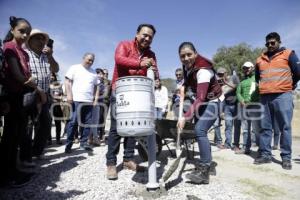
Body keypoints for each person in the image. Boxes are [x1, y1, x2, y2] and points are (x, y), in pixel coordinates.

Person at [106, 23, 159, 180]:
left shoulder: (151, 54)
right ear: (136, 34)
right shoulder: (124, 45)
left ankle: (128, 159)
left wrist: (157, 79)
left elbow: (155, 69)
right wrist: (139, 63)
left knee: (133, 127)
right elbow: (119, 59)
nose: (147, 38)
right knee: (116, 128)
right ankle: (110, 163)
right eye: (144, 34)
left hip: (139, 93)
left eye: (150, 37)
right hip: (121, 91)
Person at [0, 16, 44, 187]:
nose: (25, 35)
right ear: (12, 30)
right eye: (21, 31)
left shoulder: (23, 52)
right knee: (10, 136)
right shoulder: (9, 47)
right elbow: (19, 76)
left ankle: (13, 170)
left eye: (28, 32)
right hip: (11, 95)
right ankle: (6, 174)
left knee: (17, 135)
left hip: (21, 96)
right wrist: (34, 83)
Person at [177, 42, 222, 184]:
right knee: (199, 132)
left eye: (189, 54)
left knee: (200, 130)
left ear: (196, 54)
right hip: (203, 103)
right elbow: (188, 78)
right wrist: (183, 86)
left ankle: (204, 172)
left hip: (213, 102)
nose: (186, 58)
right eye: (182, 56)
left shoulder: (203, 70)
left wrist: (185, 116)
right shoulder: (188, 67)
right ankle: (209, 164)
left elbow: (201, 97)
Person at [254, 32, 300, 170]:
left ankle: (286, 157)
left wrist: (291, 85)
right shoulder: (259, 60)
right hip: (265, 97)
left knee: (285, 127)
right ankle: (266, 155)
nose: (270, 45)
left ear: (279, 42)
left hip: (283, 96)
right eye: (267, 43)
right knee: (265, 127)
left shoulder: (288, 54)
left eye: (272, 42)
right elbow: (257, 78)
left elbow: (298, 72)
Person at [24, 29, 59, 160]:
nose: (40, 41)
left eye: (42, 39)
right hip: (30, 93)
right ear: (29, 41)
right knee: (28, 125)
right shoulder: (25, 54)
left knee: (45, 124)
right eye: (37, 38)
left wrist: (50, 56)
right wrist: (38, 91)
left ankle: (37, 152)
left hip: (45, 95)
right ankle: (25, 156)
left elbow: (56, 69)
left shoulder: (46, 57)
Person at [64, 53, 98, 153]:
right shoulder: (74, 68)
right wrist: (69, 95)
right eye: (89, 60)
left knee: (87, 123)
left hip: (88, 101)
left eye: (92, 60)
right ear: (83, 58)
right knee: (73, 122)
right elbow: (67, 81)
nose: (90, 62)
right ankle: (69, 144)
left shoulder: (94, 73)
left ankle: (83, 143)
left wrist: (95, 99)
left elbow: (97, 86)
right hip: (76, 100)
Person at [235, 61, 260, 154]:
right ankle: (246, 148)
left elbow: (259, 91)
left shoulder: (257, 79)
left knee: (257, 128)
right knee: (245, 129)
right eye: (244, 68)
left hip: (255, 106)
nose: (246, 70)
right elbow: (238, 93)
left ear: (252, 68)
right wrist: (241, 101)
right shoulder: (242, 82)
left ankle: (262, 148)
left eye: (248, 68)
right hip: (244, 107)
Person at [217, 67, 241, 150]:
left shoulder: (234, 77)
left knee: (237, 126)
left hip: (237, 105)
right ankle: (227, 144)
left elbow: (237, 87)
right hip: (227, 106)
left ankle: (236, 145)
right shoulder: (220, 83)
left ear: (226, 73)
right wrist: (221, 111)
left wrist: (226, 83)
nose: (220, 76)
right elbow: (222, 96)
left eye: (221, 74)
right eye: (219, 74)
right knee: (228, 126)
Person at [49, 72, 64, 145]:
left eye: (53, 76)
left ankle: (58, 139)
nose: (52, 77)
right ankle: (49, 140)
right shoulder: (46, 85)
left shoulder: (59, 85)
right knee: (48, 123)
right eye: (50, 76)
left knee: (58, 123)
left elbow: (61, 96)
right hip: (49, 105)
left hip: (57, 105)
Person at [98, 68, 111, 142]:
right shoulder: (99, 81)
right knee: (98, 118)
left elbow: (111, 92)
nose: (106, 75)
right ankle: (96, 134)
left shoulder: (110, 82)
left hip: (106, 102)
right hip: (99, 101)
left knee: (103, 119)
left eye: (107, 74)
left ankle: (101, 134)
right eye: (104, 73)